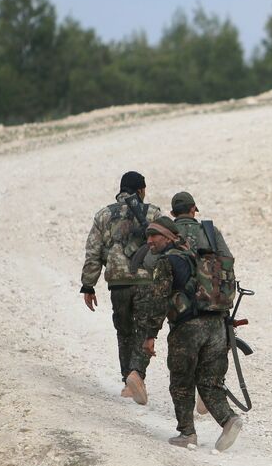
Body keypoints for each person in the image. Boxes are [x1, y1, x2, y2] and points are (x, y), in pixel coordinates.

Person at [139, 216, 243, 451]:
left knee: (181, 381)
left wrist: (149, 335)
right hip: (216, 325)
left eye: (154, 235)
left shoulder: (167, 261)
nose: (150, 240)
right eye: (148, 236)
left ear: (168, 236)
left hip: (188, 329)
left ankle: (187, 433)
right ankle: (229, 420)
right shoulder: (198, 256)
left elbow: (158, 301)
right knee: (210, 381)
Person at [80, 171, 162, 405]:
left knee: (124, 331)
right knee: (145, 331)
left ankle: (128, 380)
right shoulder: (153, 213)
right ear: (142, 190)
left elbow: (93, 252)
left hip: (118, 284)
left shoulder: (104, 215)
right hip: (146, 281)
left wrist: (88, 284)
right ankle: (138, 374)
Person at [170, 191, 232, 417]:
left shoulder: (169, 233)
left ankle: (187, 430)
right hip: (213, 308)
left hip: (182, 310)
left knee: (182, 368)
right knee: (211, 359)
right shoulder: (210, 231)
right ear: (194, 209)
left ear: (172, 213)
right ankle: (209, 397)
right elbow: (227, 263)